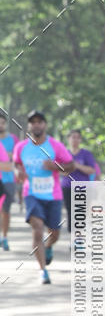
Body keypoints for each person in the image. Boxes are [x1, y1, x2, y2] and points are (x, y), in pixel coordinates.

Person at [13, 110, 74, 284]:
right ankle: (43, 271)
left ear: (45, 125)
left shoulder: (55, 146)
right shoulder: (21, 147)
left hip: (53, 195)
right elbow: (17, 165)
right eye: (33, 122)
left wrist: (56, 167)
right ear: (29, 126)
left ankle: (48, 246)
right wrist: (18, 172)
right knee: (37, 229)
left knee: (54, 234)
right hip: (31, 194)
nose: (37, 125)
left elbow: (71, 166)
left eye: (40, 122)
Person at [61, 129, 101, 232]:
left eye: (77, 137)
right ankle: (73, 239)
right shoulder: (64, 153)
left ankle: (79, 238)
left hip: (83, 187)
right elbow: (60, 171)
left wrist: (77, 166)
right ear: (68, 139)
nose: (75, 140)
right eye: (73, 137)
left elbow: (92, 170)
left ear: (80, 140)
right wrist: (69, 169)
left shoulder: (86, 154)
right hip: (67, 187)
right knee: (71, 212)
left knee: (81, 213)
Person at [0, 114, 20, 250]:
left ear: (6, 124)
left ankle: (4, 237)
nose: (0, 125)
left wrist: (10, 155)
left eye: (2, 123)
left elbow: (18, 158)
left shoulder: (13, 139)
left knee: (5, 210)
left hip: (9, 180)